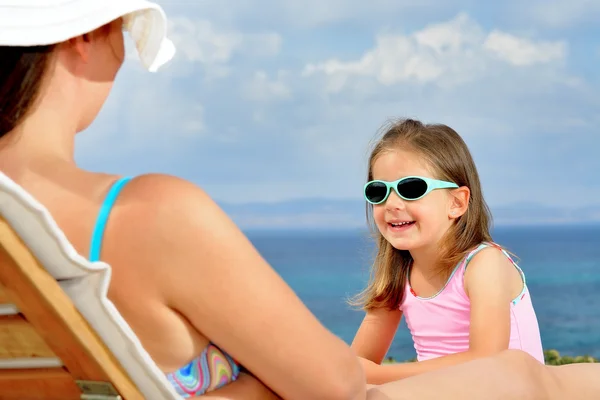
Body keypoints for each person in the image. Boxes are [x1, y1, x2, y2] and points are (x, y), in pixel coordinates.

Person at [1, 1, 599, 399]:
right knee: (531, 378)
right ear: (82, 36)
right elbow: (338, 385)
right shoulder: (147, 216)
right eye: (124, 33)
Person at [350, 118, 545, 384]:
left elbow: (489, 361)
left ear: (456, 202)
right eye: (378, 191)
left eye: (411, 189)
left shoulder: (484, 264)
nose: (392, 203)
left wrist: (379, 375)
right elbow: (358, 362)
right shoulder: (398, 274)